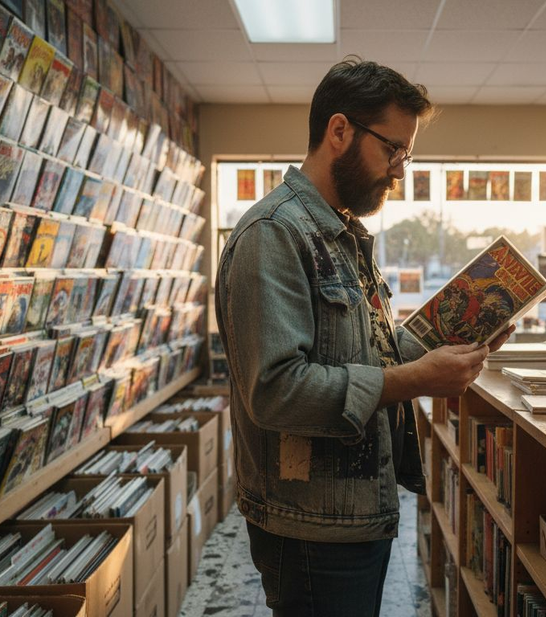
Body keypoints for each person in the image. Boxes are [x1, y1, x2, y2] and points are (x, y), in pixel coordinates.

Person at [215, 58, 513, 617]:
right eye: (392, 149)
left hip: (354, 512)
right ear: (339, 131)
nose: (399, 170)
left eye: (406, 154)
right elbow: (276, 390)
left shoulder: (340, 232)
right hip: (312, 525)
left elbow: (362, 351)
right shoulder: (273, 235)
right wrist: (414, 380)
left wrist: (457, 339)